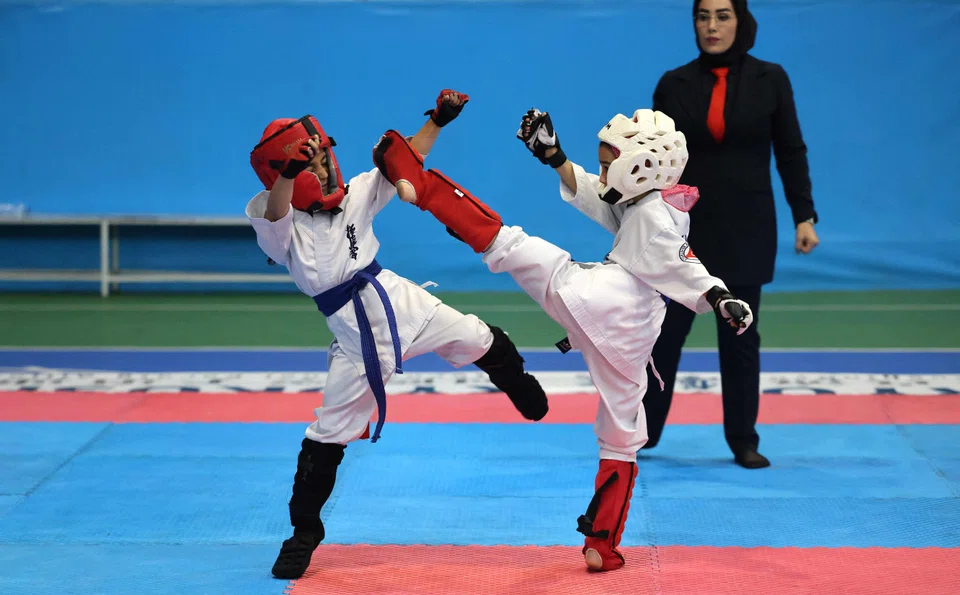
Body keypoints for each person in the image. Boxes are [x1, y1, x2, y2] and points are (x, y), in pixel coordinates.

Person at [368, 107, 754, 572]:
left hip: (601, 301)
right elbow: (604, 199)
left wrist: (721, 296)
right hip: (633, 336)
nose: (605, 170)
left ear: (641, 167)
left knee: (507, 243)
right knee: (621, 436)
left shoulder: (658, 219)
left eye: (612, 163)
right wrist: (555, 157)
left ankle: (420, 183)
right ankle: (601, 544)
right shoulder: (648, 201)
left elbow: (686, 265)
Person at [245, 90, 549, 580]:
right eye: (305, 163)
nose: (319, 168)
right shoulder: (281, 226)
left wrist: (439, 120)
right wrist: (287, 174)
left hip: (398, 302)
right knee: (326, 435)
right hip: (354, 340)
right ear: (279, 172)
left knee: (479, 337)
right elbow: (277, 210)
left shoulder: (356, 194)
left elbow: (407, 158)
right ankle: (302, 534)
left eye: (321, 156)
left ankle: (516, 381)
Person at [643, 0, 821, 469]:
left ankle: (744, 440)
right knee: (663, 339)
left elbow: (790, 148)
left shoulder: (771, 79)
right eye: (703, 16)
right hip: (684, 233)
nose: (712, 25)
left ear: (741, 22)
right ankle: (642, 433)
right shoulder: (673, 84)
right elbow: (654, 160)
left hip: (747, 228)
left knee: (740, 340)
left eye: (723, 15)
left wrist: (804, 215)